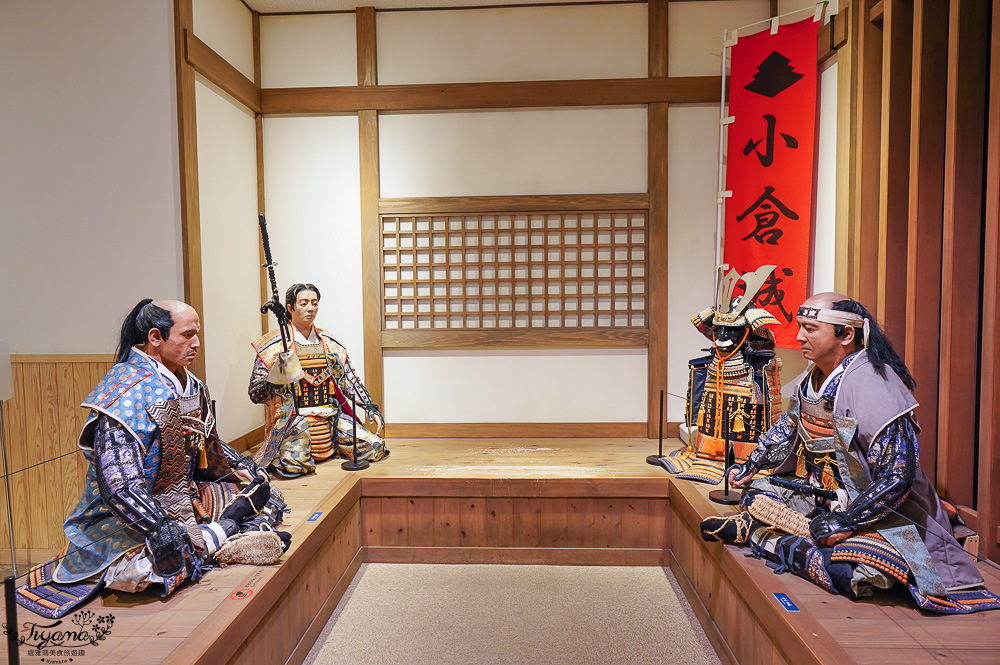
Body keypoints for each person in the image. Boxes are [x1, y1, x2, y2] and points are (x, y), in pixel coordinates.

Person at [700, 292, 1000, 613]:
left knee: (850, 572)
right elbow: (787, 427)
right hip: (824, 497)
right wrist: (752, 463)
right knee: (756, 492)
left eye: (810, 329)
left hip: (883, 513)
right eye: (800, 326)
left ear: (846, 334)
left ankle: (759, 534)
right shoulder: (814, 376)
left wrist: (847, 520)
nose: (799, 336)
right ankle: (766, 531)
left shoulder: (873, 384)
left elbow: (899, 475)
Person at [15, 300, 290, 619]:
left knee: (269, 494)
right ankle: (228, 533)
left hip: (185, 499)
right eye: (187, 335)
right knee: (158, 565)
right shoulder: (122, 393)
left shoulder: (192, 385)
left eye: (197, 334)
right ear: (156, 337)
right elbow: (119, 484)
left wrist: (247, 471)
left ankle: (219, 534)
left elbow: (208, 447)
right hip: (125, 520)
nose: (196, 343)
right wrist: (159, 526)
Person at [250, 283, 387, 478]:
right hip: (294, 419)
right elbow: (255, 393)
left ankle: (334, 445)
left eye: (314, 303)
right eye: (304, 303)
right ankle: (298, 452)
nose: (310, 308)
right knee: (293, 464)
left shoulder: (329, 342)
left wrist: (370, 407)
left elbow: (349, 380)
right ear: (290, 308)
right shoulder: (274, 345)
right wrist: (275, 378)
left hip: (330, 416)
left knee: (375, 447)